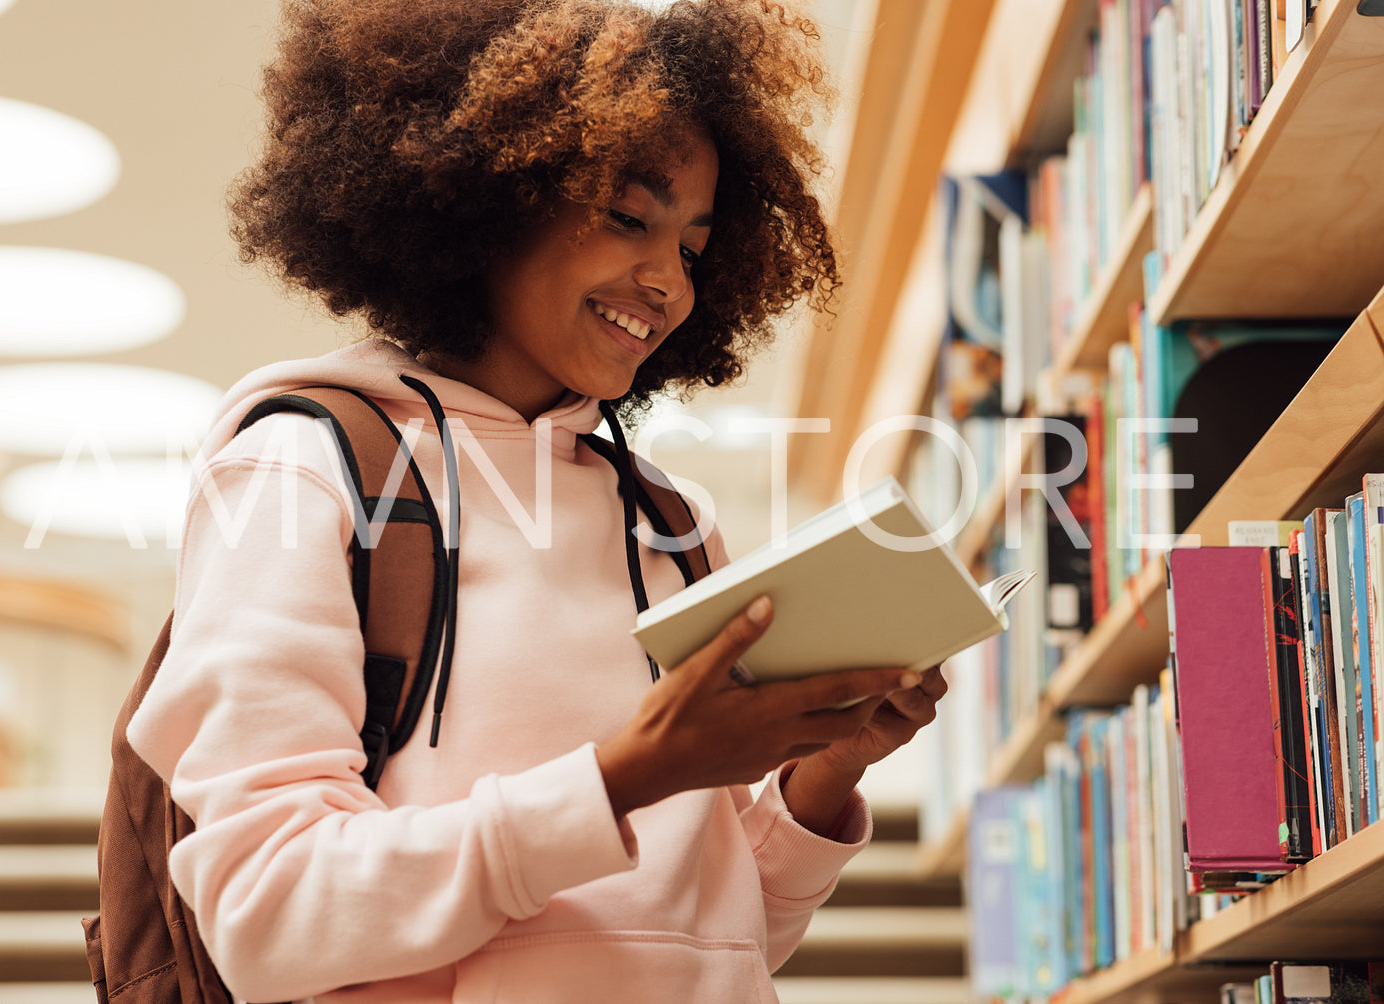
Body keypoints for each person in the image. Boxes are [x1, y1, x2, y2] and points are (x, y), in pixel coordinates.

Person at [126, 1, 948, 1001]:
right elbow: (270, 908)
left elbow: (719, 937)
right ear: (488, 198)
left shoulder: (670, 521)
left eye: (691, 246)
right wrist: (618, 779)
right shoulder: (303, 467)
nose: (666, 285)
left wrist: (824, 772)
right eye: (626, 217)